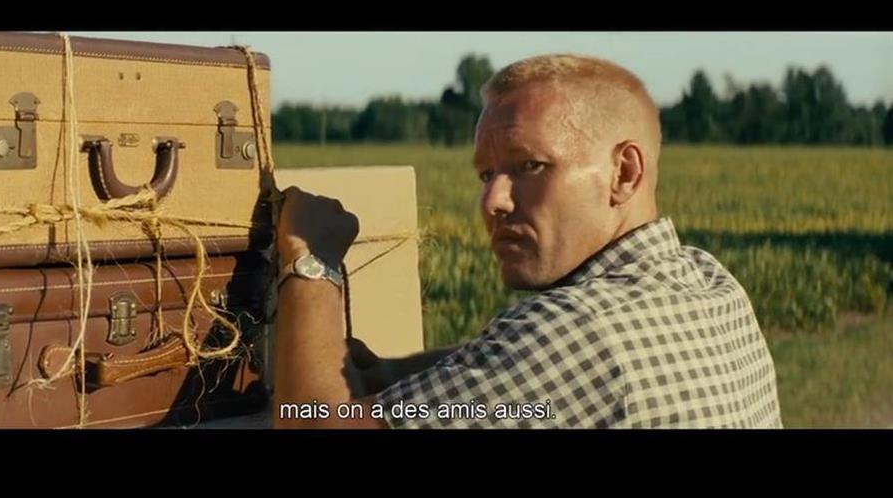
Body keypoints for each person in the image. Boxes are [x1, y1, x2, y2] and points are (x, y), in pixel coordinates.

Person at [271, 54, 782, 429]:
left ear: (624, 173)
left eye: (530, 166)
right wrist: (393, 372)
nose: (492, 201)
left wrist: (312, 262)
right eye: (486, 174)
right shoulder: (709, 281)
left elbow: (310, 422)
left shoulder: (576, 330)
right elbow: (523, 366)